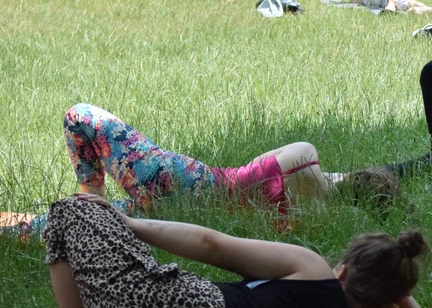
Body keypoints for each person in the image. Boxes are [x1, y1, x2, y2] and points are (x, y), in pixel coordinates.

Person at [0, 194, 432, 308]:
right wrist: (396, 291)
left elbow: (213, 244)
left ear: (344, 269)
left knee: (72, 210)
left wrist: (129, 224)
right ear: (389, 307)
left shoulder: (313, 270)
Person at [0, 104, 348, 240]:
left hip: (184, 182)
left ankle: (91, 198)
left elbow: (262, 165)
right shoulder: (307, 219)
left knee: (80, 116)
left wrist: (92, 188)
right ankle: (51, 219)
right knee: (56, 227)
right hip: (180, 220)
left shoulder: (305, 158)